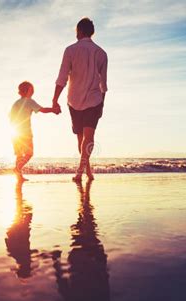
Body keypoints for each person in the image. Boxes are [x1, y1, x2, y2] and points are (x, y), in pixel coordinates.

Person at [52, 17, 108, 182]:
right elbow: (103, 84)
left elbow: (62, 77)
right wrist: (102, 104)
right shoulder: (102, 53)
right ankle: (87, 170)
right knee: (86, 139)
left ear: (80, 31)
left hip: (74, 100)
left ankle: (79, 172)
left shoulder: (70, 50)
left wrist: (55, 99)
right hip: (94, 100)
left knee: (84, 138)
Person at [9, 81, 60, 181]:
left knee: (19, 154)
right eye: (32, 89)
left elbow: (11, 117)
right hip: (25, 133)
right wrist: (54, 110)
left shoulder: (16, 103)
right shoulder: (29, 101)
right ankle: (17, 168)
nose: (33, 91)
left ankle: (19, 175)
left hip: (15, 133)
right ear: (28, 91)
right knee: (29, 153)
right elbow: (42, 109)